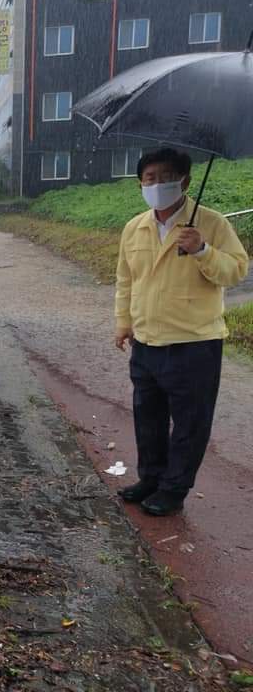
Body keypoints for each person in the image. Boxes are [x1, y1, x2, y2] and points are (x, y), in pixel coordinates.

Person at [114, 148, 248, 516]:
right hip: (146, 342)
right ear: (140, 183)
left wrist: (203, 250)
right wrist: (124, 323)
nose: (158, 184)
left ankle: (174, 490)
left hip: (194, 343)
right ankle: (151, 478)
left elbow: (236, 271)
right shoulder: (134, 227)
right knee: (148, 417)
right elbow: (126, 280)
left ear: (186, 181)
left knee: (190, 422)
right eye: (150, 177)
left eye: (167, 176)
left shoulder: (212, 223)